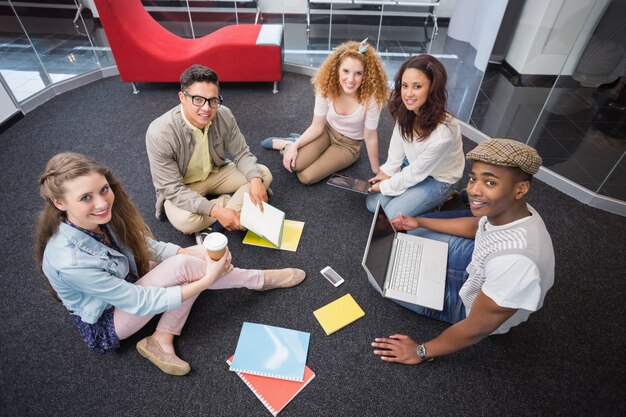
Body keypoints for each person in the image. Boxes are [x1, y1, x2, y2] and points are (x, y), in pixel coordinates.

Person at [35, 153, 305, 376]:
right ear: (59, 203)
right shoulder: (68, 261)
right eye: (86, 198)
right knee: (185, 270)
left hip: (125, 282)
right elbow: (138, 301)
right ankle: (258, 280)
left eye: (104, 189)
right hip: (107, 320)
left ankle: (161, 339)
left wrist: (191, 250)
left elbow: (146, 247)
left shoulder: (101, 216)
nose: (102, 202)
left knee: (188, 261)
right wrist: (205, 280)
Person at [371, 139, 555, 365]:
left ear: (521, 189)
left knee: (380, 278)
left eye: (490, 182)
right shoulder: (511, 210)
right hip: (479, 266)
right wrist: (419, 222)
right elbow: (476, 227)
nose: (474, 190)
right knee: (411, 237)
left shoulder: (516, 260)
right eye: (473, 178)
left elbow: (476, 327)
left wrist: (420, 351)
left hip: (472, 304)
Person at [146, 64, 272, 237]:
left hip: (215, 173)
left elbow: (241, 153)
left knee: (262, 174)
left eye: (213, 100)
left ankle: (226, 212)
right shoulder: (159, 133)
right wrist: (216, 210)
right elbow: (172, 189)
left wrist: (256, 181)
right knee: (185, 222)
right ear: (182, 97)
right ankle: (228, 205)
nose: (206, 108)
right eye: (198, 99)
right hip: (184, 186)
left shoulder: (224, 114)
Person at [261, 39, 389, 185]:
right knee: (295, 164)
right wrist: (295, 147)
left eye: (358, 73)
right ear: (337, 69)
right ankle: (290, 144)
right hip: (325, 131)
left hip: (348, 145)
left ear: (365, 75)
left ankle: (296, 141)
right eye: (346, 71)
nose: (351, 79)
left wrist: (376, 170)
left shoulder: (372, 98)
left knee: (306, 177)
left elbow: (370, 136)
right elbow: (317, 126)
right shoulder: (326, 87)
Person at [366, 54, 465, 219]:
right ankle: (418, 199)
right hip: (414, 163)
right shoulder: (407, 109)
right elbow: (398, 146)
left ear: (433, 87)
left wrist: (386, 186)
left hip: (439, 178)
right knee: (372, 204)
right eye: (405, 85)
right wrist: (388, 171)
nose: (408, 94)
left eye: (417, 86)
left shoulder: (443, 134)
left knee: (390, 215)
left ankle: (444, 198)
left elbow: (416, 173)